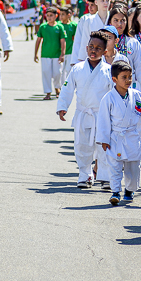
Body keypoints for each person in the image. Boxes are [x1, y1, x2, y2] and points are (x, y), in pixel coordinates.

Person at [57, 31, 112, 189]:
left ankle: (105, 176)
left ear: (105, 52)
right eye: (91, 47)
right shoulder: (77, 68)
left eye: (98, 48)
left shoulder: (109, 70)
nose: (94, 50)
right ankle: (85, 174)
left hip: (102, 114)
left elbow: (113, 94)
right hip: (83, 113)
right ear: (86, 48)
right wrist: (63, 106)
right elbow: (67, 88)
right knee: (82, 146)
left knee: (103, 146)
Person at [96, 60, 141, 206]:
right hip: (115, 137)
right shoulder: (108, 98)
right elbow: (103, 119)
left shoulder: (137, 95)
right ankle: (115, 191)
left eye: (130, 77)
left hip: (133, 137)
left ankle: (129, 190)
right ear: (114, 79)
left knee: (133, 167)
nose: (128, 80)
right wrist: (104, 139)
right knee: (114, 166)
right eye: (124, 77)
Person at [33, 7, 66, 101]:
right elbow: (38, 40)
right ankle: (48, 92)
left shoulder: (59, 27)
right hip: (45, 54)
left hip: (56, 54)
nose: (49, 17)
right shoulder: (43, 27)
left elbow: (63, 41)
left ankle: (57, 88)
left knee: (57, 73)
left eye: (51, 15)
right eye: (47, 15)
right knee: (46, 73)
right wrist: (35, 53)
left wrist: (62, 54)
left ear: (56, 16)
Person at [71, 0, 110, 66]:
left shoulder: (113, 18)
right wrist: (79, 61)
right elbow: (84, 42)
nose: (105, 3)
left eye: (107, 0)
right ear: (96, 2)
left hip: (110, 59)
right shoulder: (88, 20)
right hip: (93, 59)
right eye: (102, 0)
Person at [58, 6, 78, 89]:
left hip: (70, 51)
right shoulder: (58, 25)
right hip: (59, 52)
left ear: (68, 15)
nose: (61, 16)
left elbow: (76, 38)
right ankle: (61, 87)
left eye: (63, 14)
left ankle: (68, 86)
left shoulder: (74, 25)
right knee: (61, 71)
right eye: (60, 14)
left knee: (69, 70)